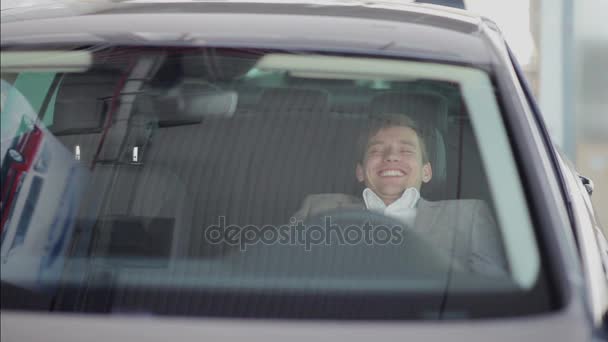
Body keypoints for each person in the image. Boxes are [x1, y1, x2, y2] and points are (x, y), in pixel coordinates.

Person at [293, 114, 508, 277]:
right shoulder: (318, 208)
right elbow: (282, 271)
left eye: (406, 151)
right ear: (360, 171)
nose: (391, 157)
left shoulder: (468, 216)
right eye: (377, 150)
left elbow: (492, 293)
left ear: (427, 171)